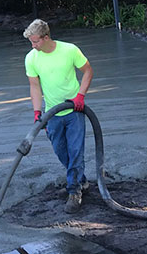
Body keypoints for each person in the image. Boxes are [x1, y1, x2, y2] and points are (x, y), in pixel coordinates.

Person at [24, 19, 94, 214]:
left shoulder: (69, 50)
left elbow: (88, 70)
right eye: (31, 42)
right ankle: (81, 181)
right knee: (61, 151)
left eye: (36, 41)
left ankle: (74, 192)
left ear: (46, 38)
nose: (33, 45)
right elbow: (34, 86)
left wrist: (80, 95)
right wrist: (38, 113)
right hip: (52, 114)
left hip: (74, 111)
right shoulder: (31, 58)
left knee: (75, 150)